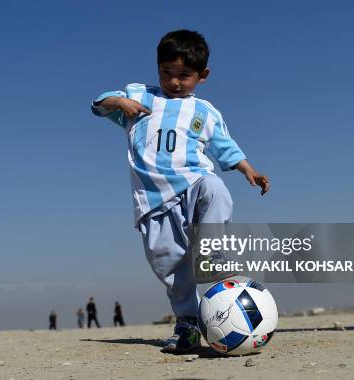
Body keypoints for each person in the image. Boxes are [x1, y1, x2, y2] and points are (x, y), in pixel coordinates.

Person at [91, 30, 269, 353]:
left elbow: (225, 147)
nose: (173, 82)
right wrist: (118, 101)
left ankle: (214, 253)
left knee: (216, 189)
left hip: (193, 182)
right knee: (172, 268)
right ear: (157, 68)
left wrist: (248, 170)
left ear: (203, 76)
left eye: (184, 76)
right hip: (153, 200)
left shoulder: (206, 112)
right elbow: (99, 105)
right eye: (166, 73)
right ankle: (187, 324)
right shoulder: (139, 97)